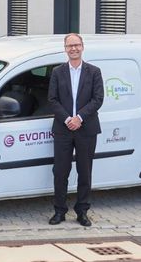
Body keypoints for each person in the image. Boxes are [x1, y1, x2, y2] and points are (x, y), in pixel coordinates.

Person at [47, 33, 104, 227]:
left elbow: (98, 99)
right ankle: (59, 211)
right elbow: (52, 100)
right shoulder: (57, 72)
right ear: (65, 48)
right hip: (63, 129)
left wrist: (79, 118)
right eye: (70, 45)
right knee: (60, 171)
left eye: (77, 45)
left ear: (82, 47)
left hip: (86, 128)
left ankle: (82, 211)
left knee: (85, 171)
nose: (74, 48)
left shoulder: (94, 72)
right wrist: (67, 119)